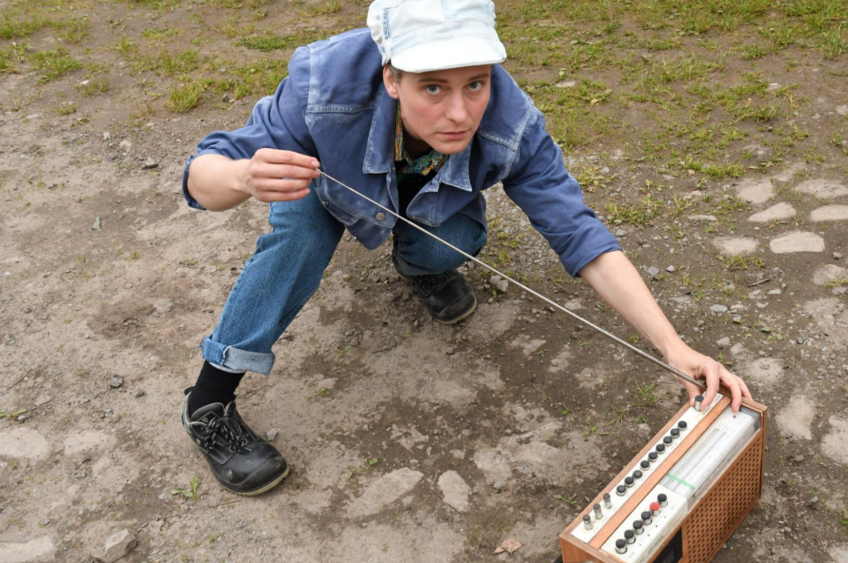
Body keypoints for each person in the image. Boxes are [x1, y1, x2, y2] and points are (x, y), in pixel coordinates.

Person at [180, 0, 752, 496]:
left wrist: (673, 346)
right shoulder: (322, 81)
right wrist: (243, 178)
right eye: (433, 87)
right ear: (391, 77)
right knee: (298, 237)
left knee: (453, 243)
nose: (459, 113)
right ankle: (208, 400)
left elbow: (579, 233)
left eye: (474, 83)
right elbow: (200, 175)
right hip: (329, 193)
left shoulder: (513, 121)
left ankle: (419, 264)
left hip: (436, 209)